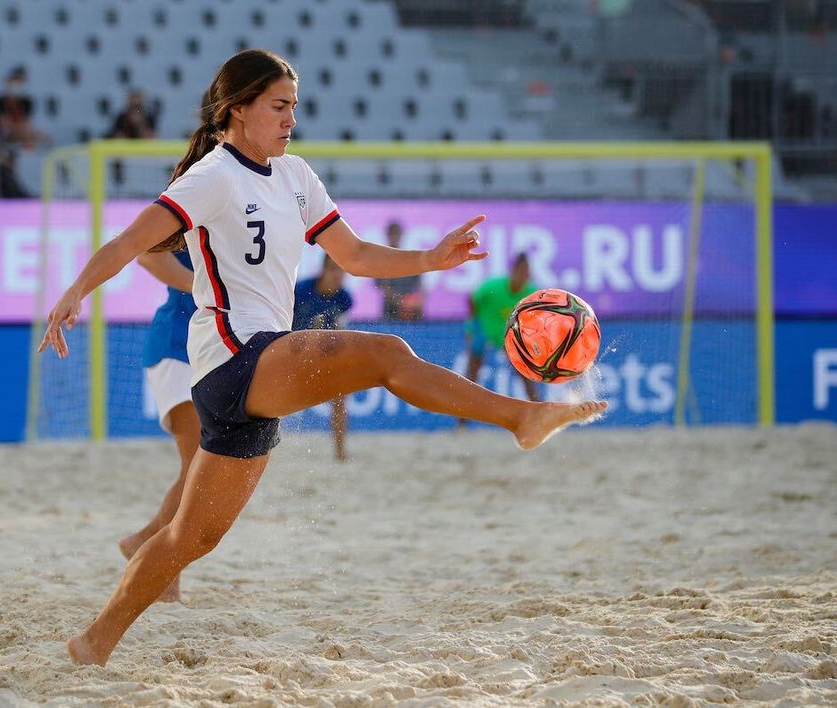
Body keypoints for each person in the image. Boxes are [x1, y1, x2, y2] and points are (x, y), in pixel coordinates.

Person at [38, 49, 606, 667]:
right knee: (386, 353)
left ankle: (93, 642)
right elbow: (130, 241)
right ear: (238, 109)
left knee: (188, 539)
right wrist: (74, 293)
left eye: (294, 107)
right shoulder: (212, 176)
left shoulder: (295, 175)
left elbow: (354, 255)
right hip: (233, 355)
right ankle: (521, 418)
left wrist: (429, 259)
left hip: (253, 373)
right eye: (278, 107)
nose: (291, 119)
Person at [116, 248, 197, 603]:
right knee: (197, 467)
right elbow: (148, 256)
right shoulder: (192, 215)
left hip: (212, 350)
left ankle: (145, 541)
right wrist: (206, 287)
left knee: (209, 468)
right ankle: (163, 573)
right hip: (176, 348)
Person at [460, 253, 540, 428]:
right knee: (472, 374)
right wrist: (473, 324)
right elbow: (472, 298)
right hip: (484, 328)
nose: (524, 275)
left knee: (524, 371)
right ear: (513, 270)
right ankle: (461, 422)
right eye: (522, 271)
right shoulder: (494, 286)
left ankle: (538, 415)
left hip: (507, 332)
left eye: (527, 272)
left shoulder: (531, 292)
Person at [292, 255, 354, 461]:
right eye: (334, 270)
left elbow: (339, 332)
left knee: (341, 396)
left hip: (322, 353)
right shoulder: (300, 291)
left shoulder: (344, 298)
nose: (339, 275)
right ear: (323, 271)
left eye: (342, 271)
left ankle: (340, 451)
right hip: (291, 350)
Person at [377, 220, 424, 321]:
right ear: (387, 235)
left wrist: (415, 302)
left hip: (411, 309)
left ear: (401, 235)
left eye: (396, 233)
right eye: (392, 234)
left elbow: (420, 287)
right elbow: (383, 288)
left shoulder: (410, 259)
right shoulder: (381, 261)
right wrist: (402, 303)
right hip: (391, 310)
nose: (394, 237)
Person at [0, 66, 47, 150]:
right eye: (15, 81)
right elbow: (2, 123)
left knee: (43, 137)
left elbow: (26, 123)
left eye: (20, 82)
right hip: (6, 134)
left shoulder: (27, 102)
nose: (16, 85)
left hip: (21, 132)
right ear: (7, 82)